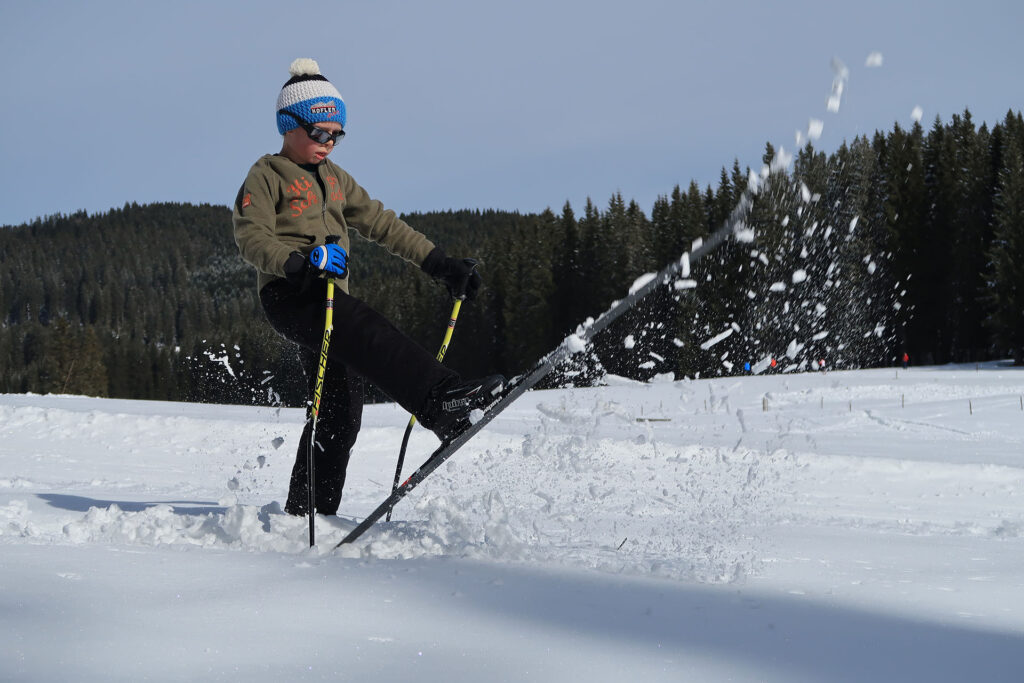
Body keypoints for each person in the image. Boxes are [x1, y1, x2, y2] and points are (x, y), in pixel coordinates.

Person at [232, 58, 503, 517]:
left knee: (340, 411)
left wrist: (440, 264)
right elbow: (250, 237)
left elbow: (381, 222)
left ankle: (307, 513)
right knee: (368, 329)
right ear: (288, 125)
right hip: (290, 294)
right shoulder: (267, 174)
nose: (329, 143)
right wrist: (298, 262)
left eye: (337, 134)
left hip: (330, 299)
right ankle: (442, 401)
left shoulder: (337, 180)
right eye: (320, 133)